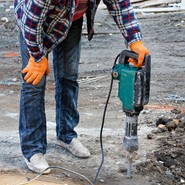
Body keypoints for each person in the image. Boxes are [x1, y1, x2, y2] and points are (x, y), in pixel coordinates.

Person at [14, 0, 149, 174]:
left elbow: (120, 4)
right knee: (34, 83)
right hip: (32, 22)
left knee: (69, 77)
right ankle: (33, 149)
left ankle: (66, 135)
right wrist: (37, 56)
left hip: (71, 19)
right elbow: (31, 22)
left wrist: (134, 41)